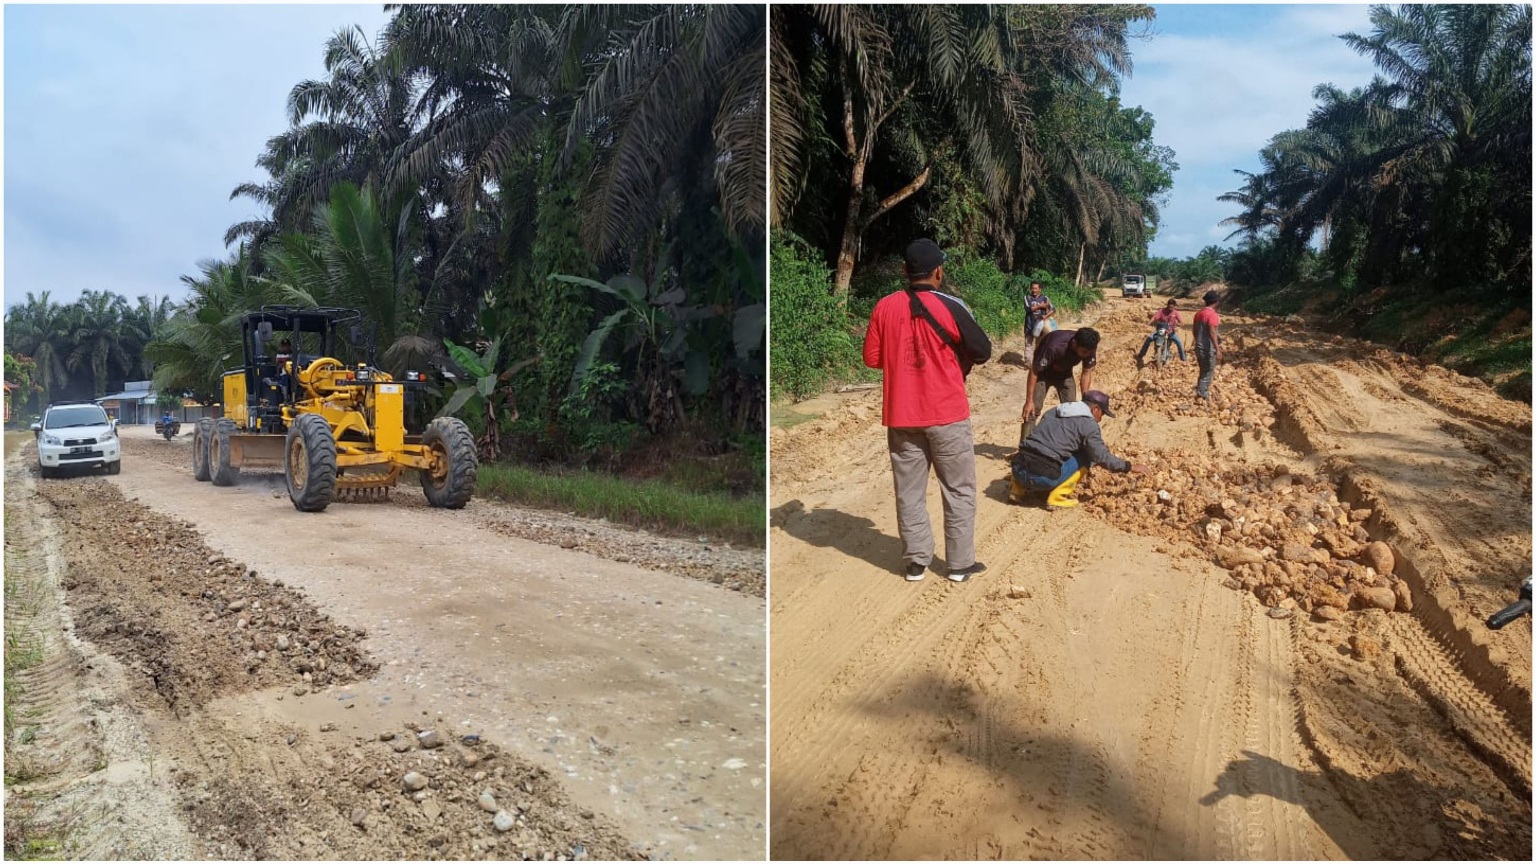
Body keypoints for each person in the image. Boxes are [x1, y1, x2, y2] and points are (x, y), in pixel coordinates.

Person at [864, 238, 993, 584]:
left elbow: (872, 359)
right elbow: (982, 350)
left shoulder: (884, 307)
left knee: (909, 492)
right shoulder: (951, 306)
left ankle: (916, 563)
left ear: (905, 272)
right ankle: (960, 565)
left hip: (901, 416)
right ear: (939, 272)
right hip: (947, 413)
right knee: (959, 489)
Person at [1009, 390, 1147, 509]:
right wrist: (1129, 466)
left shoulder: (1055, 411)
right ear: (1095, 409)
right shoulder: (1088, 424)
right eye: (1102, 414)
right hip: (1044, 478)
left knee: (1035, 449)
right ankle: (1056, 497)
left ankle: (1017, 490)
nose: (1100, 419)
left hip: (1018, 468)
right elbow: (1100, 456)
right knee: (1088, 456)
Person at [1020, 327, 1099, 443]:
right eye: (1083, 352)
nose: (1085, 355)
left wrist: (1085, 401)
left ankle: (1068, 445)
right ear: (1074, 344)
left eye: (1088, 352)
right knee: (1032, 410)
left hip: (1064, 374)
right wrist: (1029, 401)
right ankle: (1024, 447)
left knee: (1073, 411)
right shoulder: (1054, 346)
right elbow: (1034, 371)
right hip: (1043, 374)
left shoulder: (1089, 348)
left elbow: (1086, 373)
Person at [1136, 299, 1187, 366]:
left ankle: (1183, 359)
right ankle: (1141, 355)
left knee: (1179, 343)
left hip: (1171, 332)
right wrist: (1149, 322)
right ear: (1167, 305)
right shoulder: (1161, 311)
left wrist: (1179, 324)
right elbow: (1155, 317)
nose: (1170, 309)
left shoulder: (1175, 313)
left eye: (1171, 307)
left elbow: (1181, 321)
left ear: (1174, 307)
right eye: (1169, 307)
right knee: (1149, 338)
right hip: (1161, 331)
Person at [1193, 290, 1222, 399]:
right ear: (1216, 302)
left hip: (1199, 347)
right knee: (1208, 371)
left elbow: (1195, 331)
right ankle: (1202, 394)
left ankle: (1200, 390)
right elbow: (1212, 332)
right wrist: (1217, 349)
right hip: (1208, 349)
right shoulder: (1213, 315)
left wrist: (1197, 342)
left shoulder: (1199, 314)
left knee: (1203, 370)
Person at [1023, 281, 1057, 361]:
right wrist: (1040, 306)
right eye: (1032, 288)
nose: (1033, 290)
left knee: (1039, 345)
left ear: (1040, 289)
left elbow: (1053, 309)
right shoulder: (1027, 297)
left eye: (1036, 288)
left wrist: (1046, 316)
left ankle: (1036, 361)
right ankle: (1028, 363)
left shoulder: (1045, 298)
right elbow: (1028, 309)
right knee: (1028, 345)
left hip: (1041, 327)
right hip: (1029, 325)